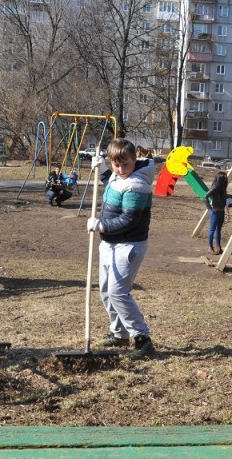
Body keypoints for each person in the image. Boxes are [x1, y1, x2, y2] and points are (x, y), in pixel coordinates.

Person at [87, 139, 156, 360]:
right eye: (115, 164)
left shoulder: (137, 184)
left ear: (134, 160)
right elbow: (113, 182)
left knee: (118, 293)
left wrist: (101, 225)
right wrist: (103, 169)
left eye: (124, 165)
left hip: (128, 245)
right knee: (106, 291)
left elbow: (129, 220)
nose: (120, 169)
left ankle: (142, 339)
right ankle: (119, 334)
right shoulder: (120, 175)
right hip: (110, 244)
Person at [204, 171, 228, 254]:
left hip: (221, 211)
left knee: (218, 229)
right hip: (215, 211)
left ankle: (218, 247)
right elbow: (205, 197)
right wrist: (210, 208)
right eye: (224, 178)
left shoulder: (223, 187)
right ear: (220, 179)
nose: (226, 180)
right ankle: (210, 247)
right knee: (212, 230)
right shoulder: (215, 187)